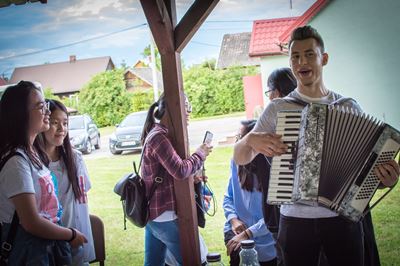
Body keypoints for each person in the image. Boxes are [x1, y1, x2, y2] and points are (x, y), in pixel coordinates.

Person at [233, 26, 400, 266]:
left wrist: (387, 179)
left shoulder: (349, 107)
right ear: (291, 63)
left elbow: (369, 172)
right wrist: (249, 140)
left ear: (324, 58)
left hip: (342, 221)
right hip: (294, 222)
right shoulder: (278, 109)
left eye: (310, 54)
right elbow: (240, 157)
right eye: (296, 56)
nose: (302, 61)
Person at [0, 81, 87, 265]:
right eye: (41, 107)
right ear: (21, 114)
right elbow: (31, 222)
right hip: (29, 252)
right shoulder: (16, 162)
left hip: (45, 249)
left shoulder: (30, 154)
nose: (47, 111)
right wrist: (70, 234)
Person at [141, 93, 212, 266]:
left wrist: (193, 177)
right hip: (163, 215)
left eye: (188, 106)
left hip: (154, 214)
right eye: (184, 106)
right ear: (170, 108)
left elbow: (171, 173)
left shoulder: (160, 133)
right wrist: (200, 154)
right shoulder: (159, 137)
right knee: (196, 261)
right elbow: (180, 170)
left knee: (154, 263)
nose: (188, 111)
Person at [40, 99, 95, 265]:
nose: (61, 128)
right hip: (48, 242)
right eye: (54, 122)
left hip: (76, 239)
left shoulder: (75, 158)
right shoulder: (34, 164)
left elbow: (83, 194)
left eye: (65, 123)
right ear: (43, 124)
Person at [224, 119, 277, 266]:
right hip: (237, 231)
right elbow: (228, 197)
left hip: (267, 239)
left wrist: (247, 233)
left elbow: (274, 216)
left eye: (241, 137)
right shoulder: (236, 162)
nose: (238, 142)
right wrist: (233, 219)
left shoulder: (273, 168)